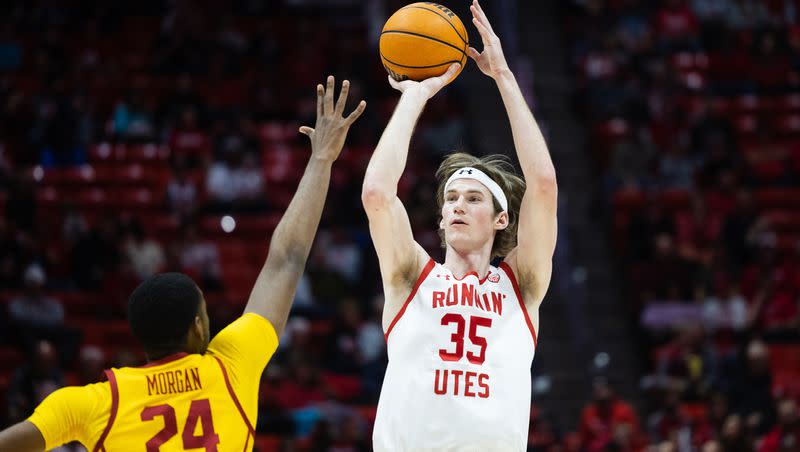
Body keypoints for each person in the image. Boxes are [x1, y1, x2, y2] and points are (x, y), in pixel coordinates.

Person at [0, 76, 366, 452]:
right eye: (205, 313)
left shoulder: (98, 402)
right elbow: (287, 258)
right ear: (196, 325)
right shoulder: (231, 364)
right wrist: (322, 159)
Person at [362, 1, 557, 450]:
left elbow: (543, 186)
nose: (458, 206)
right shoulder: (412, 276)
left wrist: (504, 78)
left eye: (472, 198)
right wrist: (415, 95)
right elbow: (376, 193)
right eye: (450, 198)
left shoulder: (521, 286)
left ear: (502, 218)